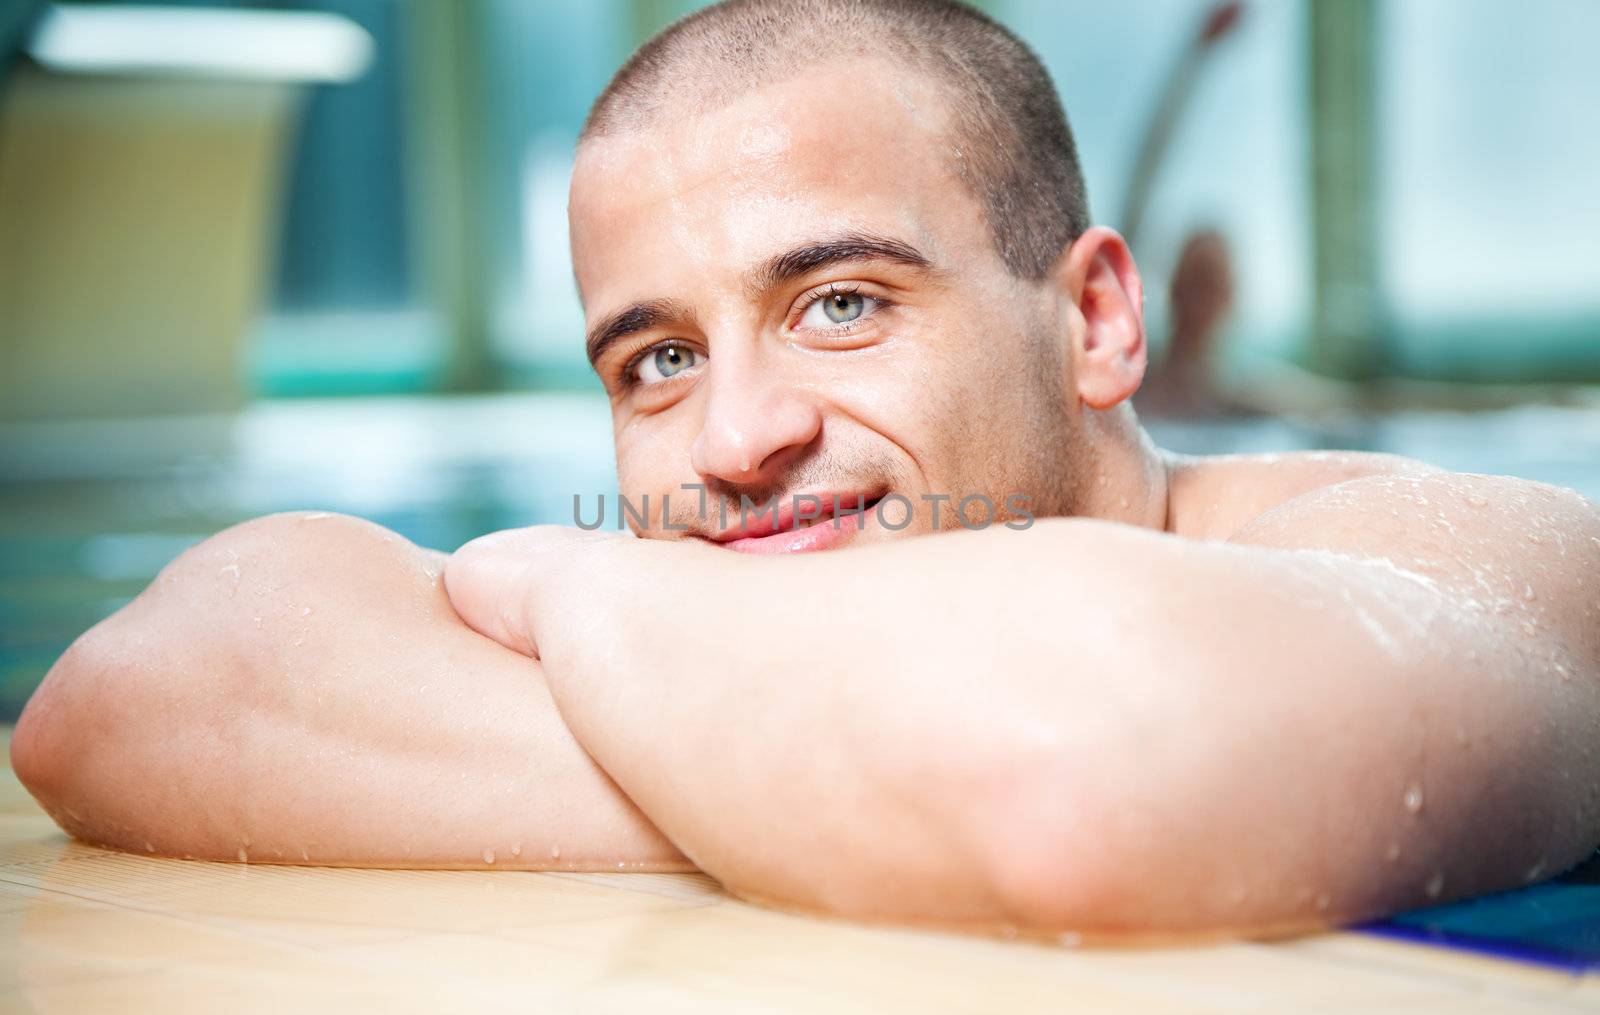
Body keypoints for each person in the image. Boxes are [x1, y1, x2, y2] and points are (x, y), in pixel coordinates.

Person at [11, 0, 1598, 940]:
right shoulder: (734, 611)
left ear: (1098, 321)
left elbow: (1082, 774)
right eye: (658, 359)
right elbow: (134, 697)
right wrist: (848, 778)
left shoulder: (1491, 559)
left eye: (840, 304)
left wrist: (576, 584)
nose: (734, 439)